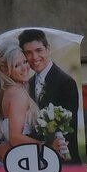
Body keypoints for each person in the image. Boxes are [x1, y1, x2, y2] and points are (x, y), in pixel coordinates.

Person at [19, 28, 80, 162]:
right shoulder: (28, 84)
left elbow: (70, 128)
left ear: (48, 49)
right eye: (28, 53)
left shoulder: (66, 82)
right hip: (38, 160)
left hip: (64, 160)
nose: (35, 57)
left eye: (39, 50)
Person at [0, 40, 42, 156]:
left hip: (17, 154)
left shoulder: (5, 91)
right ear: (6, 70)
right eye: (16, 65)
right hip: (25, 155)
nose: (24, 68)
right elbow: (15, 138)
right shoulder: (17, 94)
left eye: (25, 62)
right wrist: (46, 147)